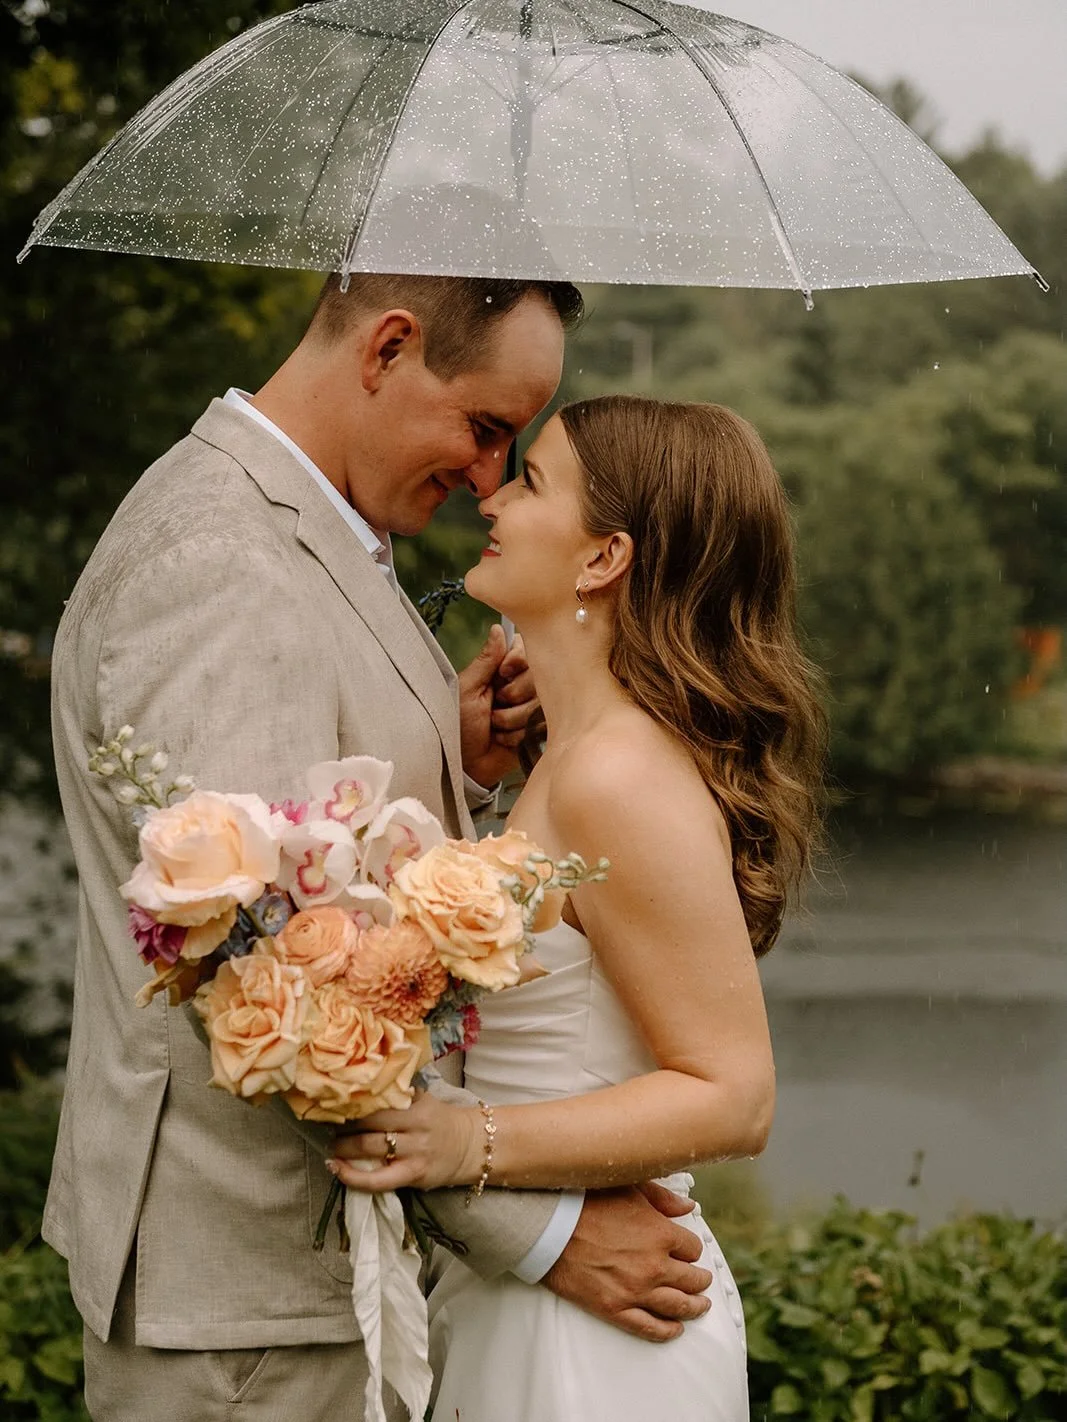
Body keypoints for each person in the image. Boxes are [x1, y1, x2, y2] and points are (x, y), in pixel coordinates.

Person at [48, 277, 718, 1422]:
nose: (486, 477)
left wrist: (443, 761)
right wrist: (542, 1231)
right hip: (247, 1310)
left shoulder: (302, 528)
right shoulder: (222, 566)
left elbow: (296, 858)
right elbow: (268, 977)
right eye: (484, 426)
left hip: (312, 1285)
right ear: (390, 347)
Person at [331, 395, 827, 1421]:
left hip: (600, 1344)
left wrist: (466, 1143)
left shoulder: (619, 777)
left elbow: (734, 1097)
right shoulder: (563, 762)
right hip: (517, 1303)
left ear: (602, 558)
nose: (491, 493)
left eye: (532, 480)